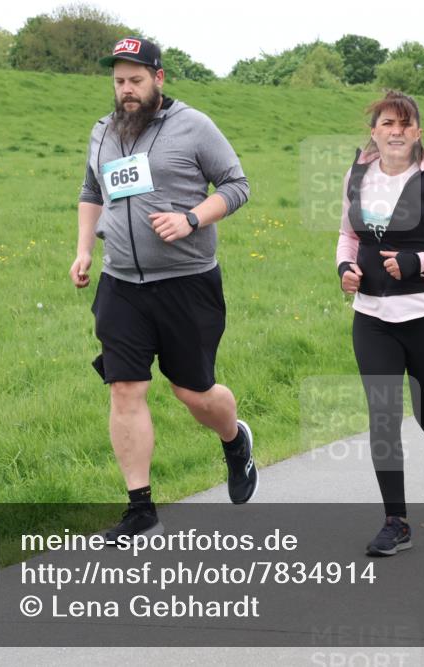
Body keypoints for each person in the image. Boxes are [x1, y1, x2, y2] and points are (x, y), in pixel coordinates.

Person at [70, 37, 257, 540]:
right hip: (121, 283)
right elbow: (92, 192)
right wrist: (85, 249)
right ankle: (140, 506)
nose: (126, 91)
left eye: (135, 80)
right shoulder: (103, 131)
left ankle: (234, 438)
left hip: (187, 284)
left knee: (192, 391)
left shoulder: (194, 127)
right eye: (118, 82)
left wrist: (192, 218)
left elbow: (237, 186)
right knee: (125, 387)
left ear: (159, 78)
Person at [335, 90, 424, 557]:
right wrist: (345, 270)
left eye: (405, 124)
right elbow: (347, 236)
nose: (395, 131)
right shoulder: (357, 175)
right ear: (374, 130)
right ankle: (396, 521)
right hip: (373, 318)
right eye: (386, 123)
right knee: (383, 417)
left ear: (417, 132)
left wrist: (419, 261)